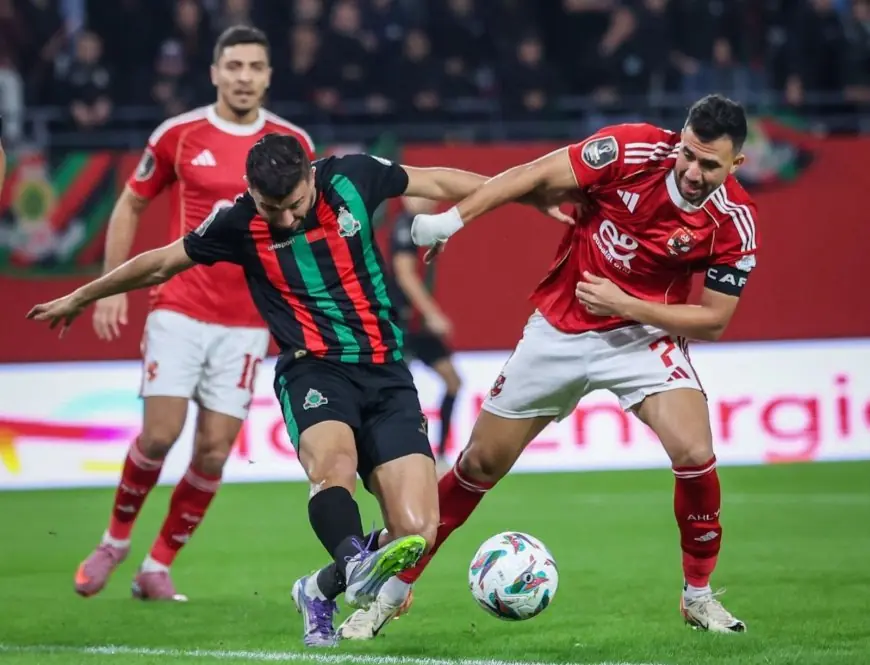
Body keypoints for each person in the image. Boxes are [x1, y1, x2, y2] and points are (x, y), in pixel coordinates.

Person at [27, 133, 566, 646]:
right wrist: (82, 295)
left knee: (417, 533)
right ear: (251, 191)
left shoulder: (353, 177)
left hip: (386, 373)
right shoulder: (237, 222)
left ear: (311, 175)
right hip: (313, 371)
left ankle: (317, 589)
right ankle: (354, 563)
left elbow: (439, 181)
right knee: (333, 466)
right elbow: (161, 263)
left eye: (294, 204)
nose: (284, 218)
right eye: (272, 208)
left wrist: (523, 193)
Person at [338, 94, 758, 638]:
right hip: (560, 329)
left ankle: (698, 596)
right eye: (688, 154)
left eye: (710, 165)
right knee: (477, 465)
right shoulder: (629, 150)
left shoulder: (734, 222)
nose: (693, 171)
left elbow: (714, 321)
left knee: (695, 453)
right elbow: (533, 174)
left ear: (736, 164)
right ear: (679, 139)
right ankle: (389, 595)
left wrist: (626, 305)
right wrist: (451, 222)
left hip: (643, 337)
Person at [74, 25, 316, 601]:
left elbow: (306, 226)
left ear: (268, 76)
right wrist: (111, 286)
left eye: (254, 67)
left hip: (248, 321)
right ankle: (114, 541)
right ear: (214, 72)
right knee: (160, 435)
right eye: (233, 66)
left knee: (213, 450)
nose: (243, 77)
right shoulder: (179, 135)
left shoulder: (292, 142)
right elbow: (131, 202)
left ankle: (156, 566)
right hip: (179, 307)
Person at [388, 196, 462, 474]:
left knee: (453, 381)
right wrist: (432, 313)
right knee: (398, 393)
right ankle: (399, 455)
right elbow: (404, 274)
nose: (430, 200)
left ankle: (440, 455)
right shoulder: (405, 225)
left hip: (417, 327)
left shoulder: (424, 228)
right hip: (400, 324)